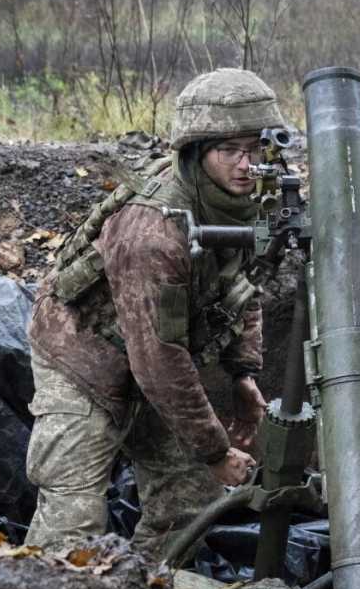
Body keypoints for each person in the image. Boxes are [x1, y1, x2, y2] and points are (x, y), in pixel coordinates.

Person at [22, 68, 287, 559]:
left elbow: (246, 286)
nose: (247, 164)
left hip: (157, 355)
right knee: (72, 520)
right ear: (196, 152)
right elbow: (158, 359)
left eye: (256, 149)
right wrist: (214, 449)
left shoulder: (252, 202)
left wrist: (243, 374)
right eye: (230, 150)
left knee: (190, 502)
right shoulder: (152, 233)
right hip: (83, 357)